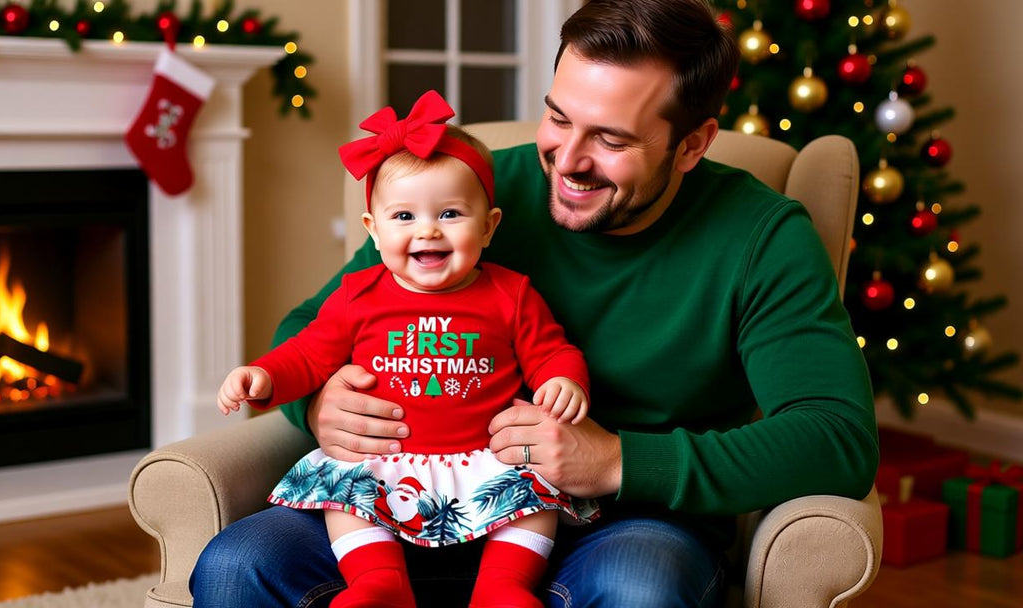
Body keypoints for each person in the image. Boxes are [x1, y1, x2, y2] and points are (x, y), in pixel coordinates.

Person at [191, 1, 879, 606]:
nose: (567, 160)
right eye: (558, 118)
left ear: (691, 144)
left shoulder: (761, 236)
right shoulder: (467, 192)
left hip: (623, 522)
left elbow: (835, 436)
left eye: (611, 139)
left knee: (640, 588)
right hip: (396, 503)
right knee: (236, 564)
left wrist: (615, 461)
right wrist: (319, 404)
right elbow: (313, 327)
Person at [214, 89, 596, 608]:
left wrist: (564, 379)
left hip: (486, 457)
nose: (428, 230)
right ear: (372, 230)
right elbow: (308, 356)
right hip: (385, 458)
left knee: (534, 499)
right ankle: (378, 581)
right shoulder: (358, 294)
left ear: (489, 226)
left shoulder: (511, 294)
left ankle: (504, 585)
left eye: (451, 213)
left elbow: (552, 350)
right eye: (403, 217)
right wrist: (263, 376)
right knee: (345, 496)